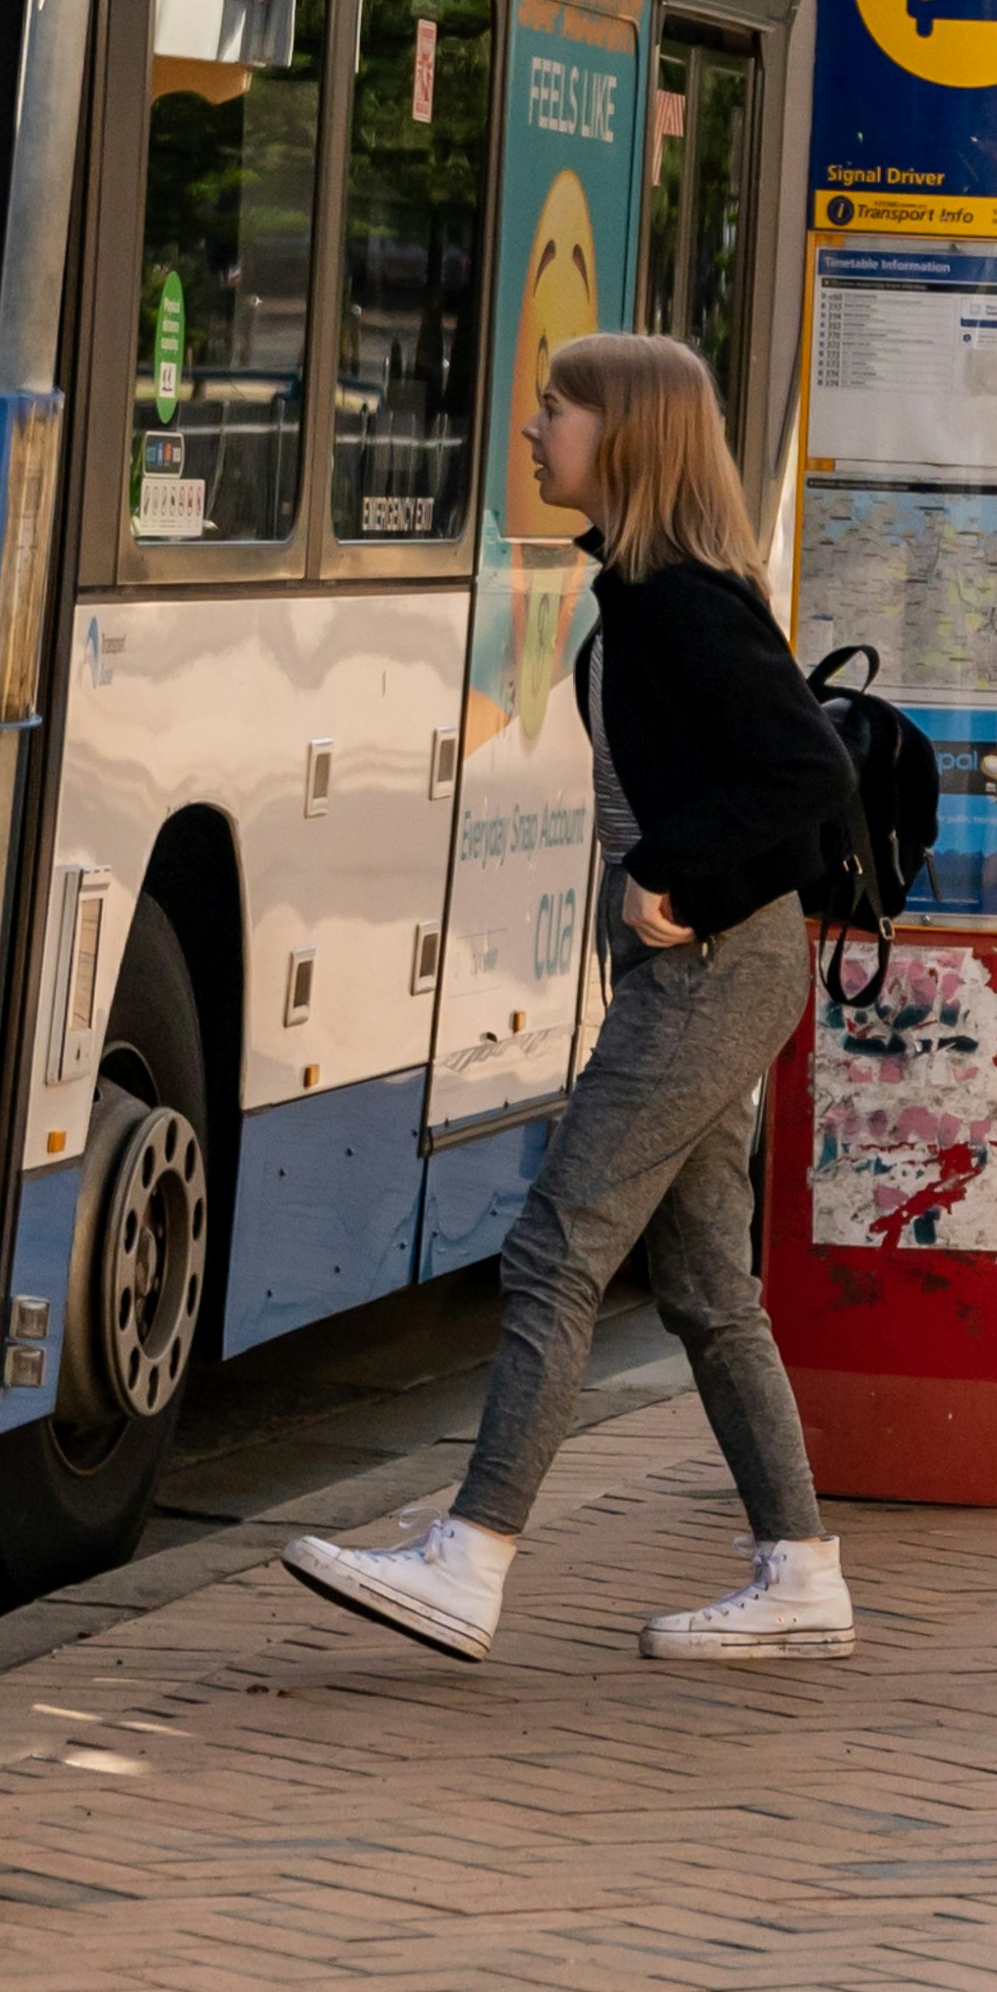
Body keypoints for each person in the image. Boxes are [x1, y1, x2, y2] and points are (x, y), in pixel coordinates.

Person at [285, 328, 860, 1665]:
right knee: (710, 1282)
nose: (536, 428)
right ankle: (799, 1570)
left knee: (557, 1244)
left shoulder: (680, 599)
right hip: (717, 963)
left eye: (559, 408)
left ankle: (469, 1559)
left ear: (630, 435)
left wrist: (669, 874)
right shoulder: (657, 587)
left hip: (714, 969)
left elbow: (807, 768)